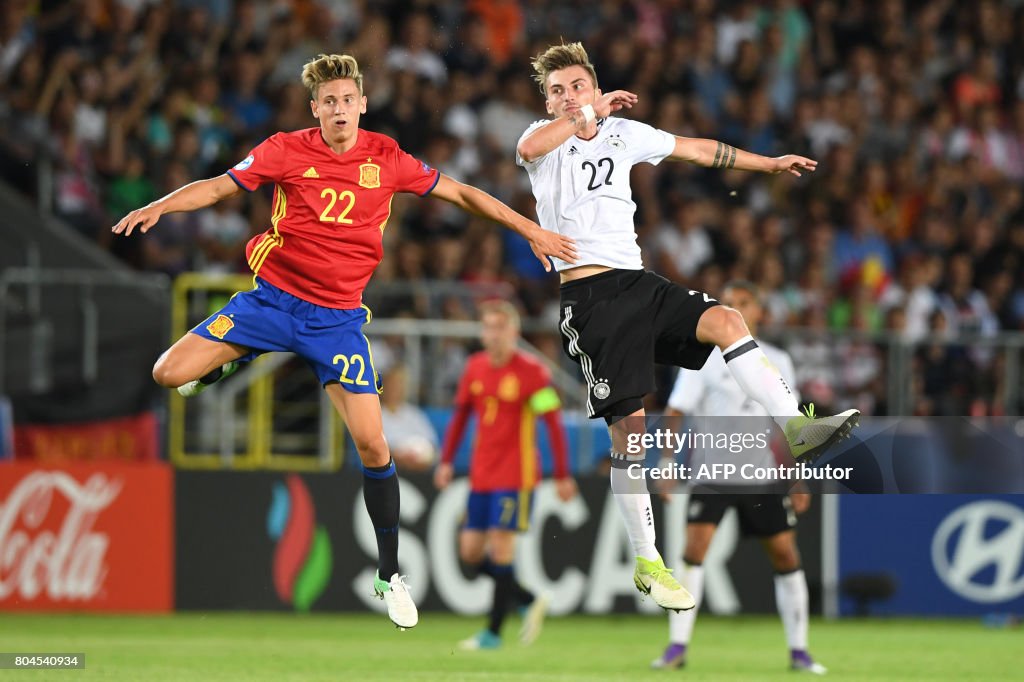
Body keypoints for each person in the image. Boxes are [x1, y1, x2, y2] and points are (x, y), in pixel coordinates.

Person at [112, 53, 577, 630]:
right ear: (315, 109)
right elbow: (216, 189)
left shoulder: (386, 157)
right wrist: (159, 206)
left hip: (336, 321)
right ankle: (226, 363)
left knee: (375, 446)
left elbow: (460, 194)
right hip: (272, 302)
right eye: (327, 101)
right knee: (167, 374)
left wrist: (531, 229)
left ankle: (390, 573)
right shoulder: (286, 148)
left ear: (361, 103)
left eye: (346, 100)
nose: (338, 109)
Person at [515, 42, 858, 612]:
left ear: (593, 85)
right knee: (632, 435)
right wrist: (588, 111)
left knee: (727, 319)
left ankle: (795, 427)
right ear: (547, 102)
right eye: (557, 91)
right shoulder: (541, 142)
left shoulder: (624, 135)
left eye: (577, 85)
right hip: (590, 297)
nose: (567, 97)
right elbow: (530, 144)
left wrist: (767, 164)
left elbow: (699, 151)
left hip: (639, 282)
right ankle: (648, 559)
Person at [650, 281, 827, 674]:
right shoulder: (703, 360)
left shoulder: (777, 358)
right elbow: (676, 412)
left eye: (743, 303)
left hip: (761, 475)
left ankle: (799, 651)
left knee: (785, 555)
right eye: (729, 303)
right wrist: (665, 465)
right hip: (711, 475)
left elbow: (787, 423)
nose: (735, 308)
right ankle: (677, 646)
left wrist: (796, 477)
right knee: (693, 551)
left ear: (760, 311)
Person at [434, 300, 578, 650]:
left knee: (500, 549)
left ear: (514, 332)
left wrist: (561, 474)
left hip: (516, 475)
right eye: (487, 327)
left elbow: (553, 425)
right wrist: (447, 460)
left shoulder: (532, 372)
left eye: (500, 327)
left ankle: (492, 634)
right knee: (469, 552)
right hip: (481, 474)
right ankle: (526, 598)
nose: (493, 334)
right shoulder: (475, 368)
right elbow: (460, 417)